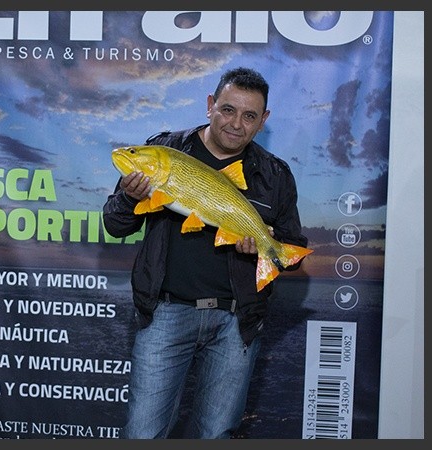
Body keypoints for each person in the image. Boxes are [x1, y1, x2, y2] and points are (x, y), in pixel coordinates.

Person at [103, 67, 308, 439]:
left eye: (249, 116)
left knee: (217, 436)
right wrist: (129, 198)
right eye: (228, 110)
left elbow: (290, 253)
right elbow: (115, 225)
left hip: (235, 323)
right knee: (143, 433)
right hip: (165, 314)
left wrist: (262, 245)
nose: (236, 124)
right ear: (210, 105)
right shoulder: (164, 152)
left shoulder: (274, 174)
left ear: (263, 121)